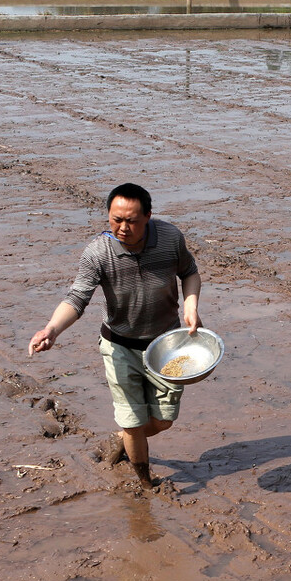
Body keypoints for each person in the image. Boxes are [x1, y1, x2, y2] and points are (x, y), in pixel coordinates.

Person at [28, 183, 203, 488]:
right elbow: (76, 299)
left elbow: (188, 272)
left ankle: (122, 438)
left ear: (148, 216)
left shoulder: (170, 239)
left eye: (132, 220)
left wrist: (191, 306)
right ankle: (146, 482)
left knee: (162, 421)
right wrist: (51, 329)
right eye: (115, 219)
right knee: (134, 423)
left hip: (166, 346)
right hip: (119, 347)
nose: (123, 228)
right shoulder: (98, 252)